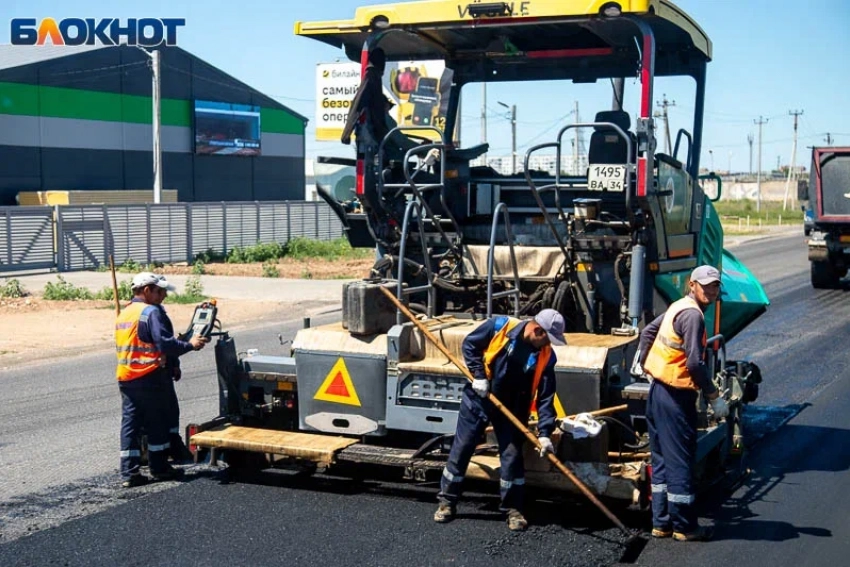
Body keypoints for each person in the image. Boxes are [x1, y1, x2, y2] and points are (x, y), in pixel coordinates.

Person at [434, 309, 566, 532]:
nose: (548, 345)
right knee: (464, 446)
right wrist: (478, 376)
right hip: (480, 397)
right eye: (547, 339)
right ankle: (447, 502)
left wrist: (544, 433)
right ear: (536, 330)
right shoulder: (500, 327)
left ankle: (513, 510)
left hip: (513, 408)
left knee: (512, 455)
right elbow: (470, 345)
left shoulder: (547, 356)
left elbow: (546, 396)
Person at [636, 265, 730, 541]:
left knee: (662, 459)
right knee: (680, 462)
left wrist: (645, 364)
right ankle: (684, 526)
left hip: (657, 393)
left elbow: (647, 333)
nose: (711, 290)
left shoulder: (677, 306)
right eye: (706, 286)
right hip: (675, 396)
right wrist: (713, 395)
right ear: (692, 285)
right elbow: (694, 363)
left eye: (715, 286)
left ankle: (661, 522)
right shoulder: (693, 316)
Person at [115, 272, 208, 488]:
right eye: (160, 291)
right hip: (149, 376)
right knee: (157, 423)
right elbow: (164, 344)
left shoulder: (125, 313)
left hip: (127, 378)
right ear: (147, 290)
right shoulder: (150, 313)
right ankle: (159, 468)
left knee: (130, 424)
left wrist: (173, 363)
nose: (164, 295)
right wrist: (190, 345)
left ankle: (129, 473)